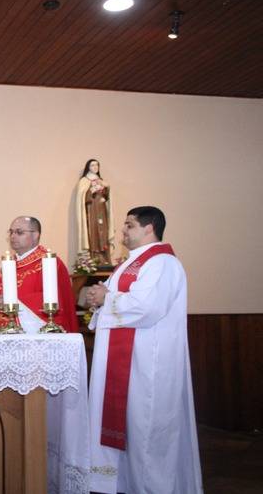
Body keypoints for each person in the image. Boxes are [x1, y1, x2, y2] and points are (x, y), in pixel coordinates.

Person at [85, 206, 202, 493]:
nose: (122, 230)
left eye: (129, 225)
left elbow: (148, 307)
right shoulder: (131, 263)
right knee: (129, 425)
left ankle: (153, 486)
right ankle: (123, 481)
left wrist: (106, 297)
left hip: (148, 361)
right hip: (125, 360)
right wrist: (97, 299)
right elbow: (119, 299)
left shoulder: (163, 263)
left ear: (149, 228)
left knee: (147, 427)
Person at [0, 216, 79, 333]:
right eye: (11, 232)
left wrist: (13, 302)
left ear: (35, 235)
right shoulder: (8, 266)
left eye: (19, 232)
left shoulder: (49, 262)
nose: (13, 236)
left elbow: (57, 300)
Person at [76, 158, 113, 266]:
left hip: (102, 211)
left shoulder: (101, 180)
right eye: (92, 165)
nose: (95, 167)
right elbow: (82, 198)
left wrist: (106, 188)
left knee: (103, 232)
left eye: (97, 165)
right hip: (91, 211)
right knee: (93, 232)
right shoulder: (84, 181)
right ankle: (93, 258)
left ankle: (104, 258)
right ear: (88, 167)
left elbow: (107, 196)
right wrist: (91, 191)